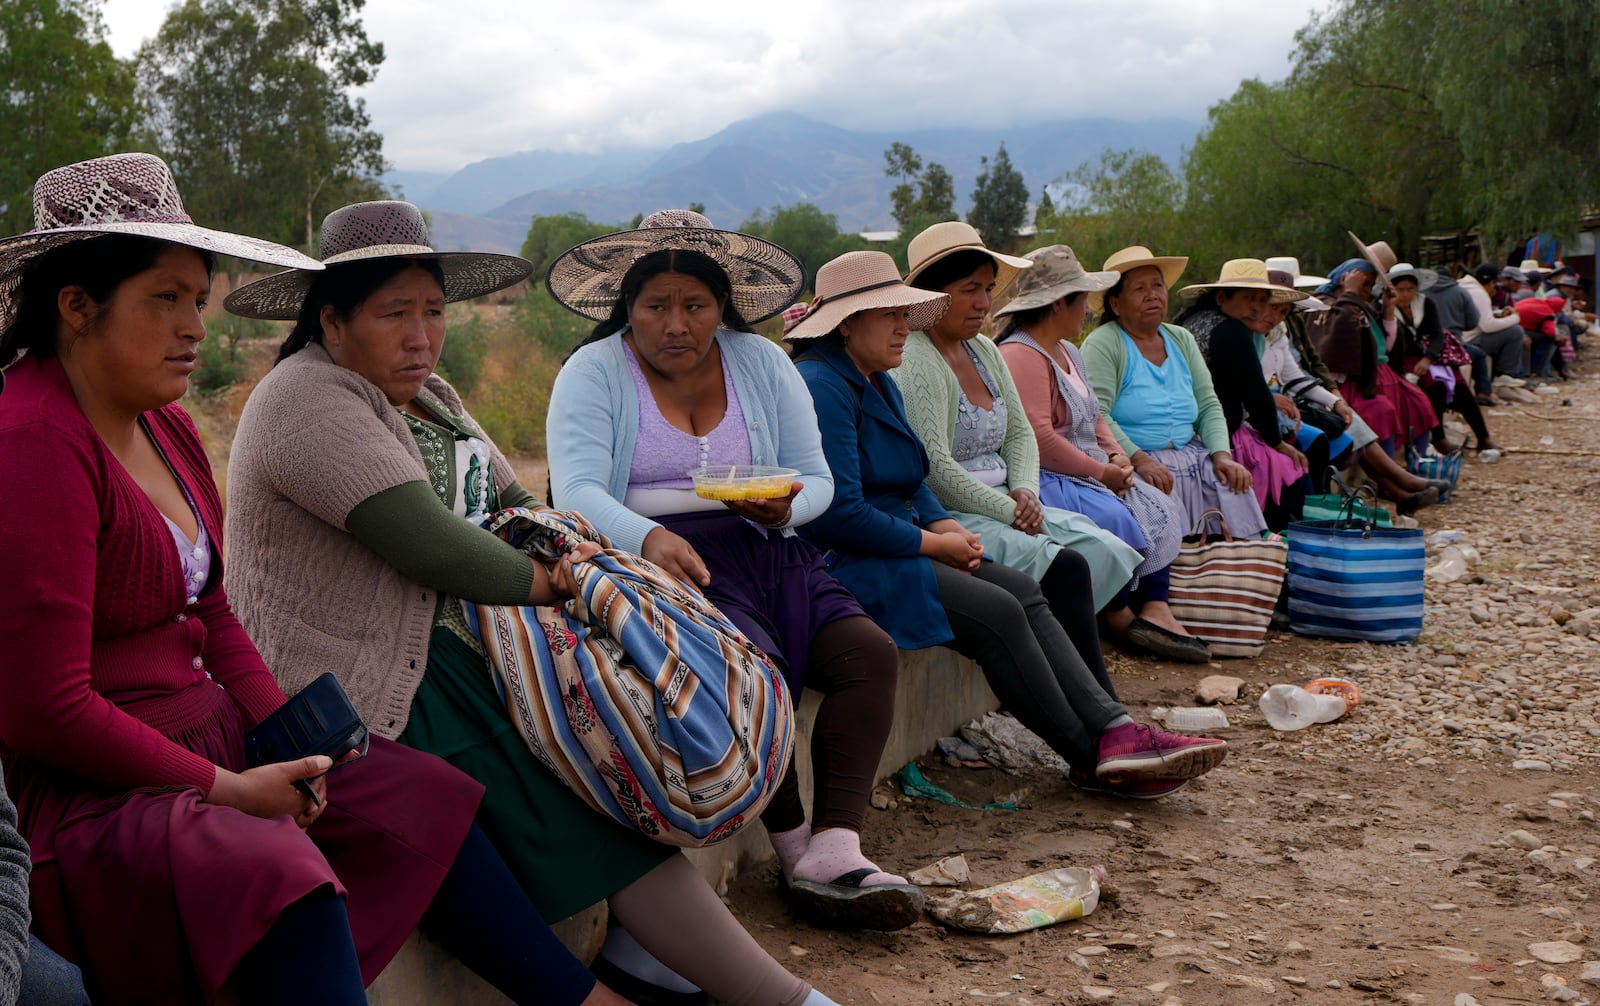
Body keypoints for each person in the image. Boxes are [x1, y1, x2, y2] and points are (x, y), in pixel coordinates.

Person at [0, 157, 630, 1006]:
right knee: (278, 870)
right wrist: (229, 791)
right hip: (96, 789)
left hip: (210, 736)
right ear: (76, 306)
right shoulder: (34, 442)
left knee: (414, 795)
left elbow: (214, 613)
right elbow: (45, 710)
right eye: (165, 298)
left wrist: (293, 740)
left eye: (198, 295)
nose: (195, 326)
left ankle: (578, 999)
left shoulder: (169, 427)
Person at [224, 200, 843, 1002]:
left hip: (453, 652)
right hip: (357, 683)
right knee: (557, 783)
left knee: (608, 764)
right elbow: (431, 544)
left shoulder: (429, 395)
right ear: (332, 320)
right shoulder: (307, 398)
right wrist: (568, 580)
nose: (422, 336)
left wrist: (574, 553)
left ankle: (766, 992)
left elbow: (517, 498)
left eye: (435, 312)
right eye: (394, 315)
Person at [544, 210, 922, 932]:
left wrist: (788, 512)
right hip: (662, 561)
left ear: (722, 308)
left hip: (769, 545)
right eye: (656, 306)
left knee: (867, 656)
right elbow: (579, 492)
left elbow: (816, 479)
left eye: (695, 305)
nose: (676, 324)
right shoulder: (594, 373)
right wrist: (648, 539)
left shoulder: (761, 362)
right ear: (629, 307)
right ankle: (794, 848)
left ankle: (838, 843)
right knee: (756, 676)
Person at [787, 250, 1227, 798]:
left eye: (907, 314)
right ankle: (1089, 756)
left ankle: (1114, 729)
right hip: (854, 560)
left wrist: (944, 525)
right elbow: (838, 512)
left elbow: (913, 476)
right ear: (848, 323)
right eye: (891, 316)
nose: (905, 327)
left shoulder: (874, 376)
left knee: (1023, 589)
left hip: (901, 540)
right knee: (997, 613)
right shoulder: (823, 384)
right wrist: (931, 542)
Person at [896, 222, 1142, 626]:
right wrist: (1008, 508)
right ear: (934, 294)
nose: (983, 303)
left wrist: (1025, 489)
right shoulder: (917, 359)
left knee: (1101, 544)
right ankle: (1072, 675)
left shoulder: (984, 350)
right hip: (955, 514)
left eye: (988, 289)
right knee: (1066, 564)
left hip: (1011, 499)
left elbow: (1019, 433)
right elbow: (935, 470)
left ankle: (1077, 661)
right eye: (969, 289)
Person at [991, 245, 1204, 663]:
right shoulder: (1021, 354)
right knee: (1113, 519)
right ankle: (1116, 614)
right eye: (1081, 301)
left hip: (1086, 467)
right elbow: (1039, 438)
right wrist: (1101, 473)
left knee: (1158, 504)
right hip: (1048, 475)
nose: (1088, 310)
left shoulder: (1068, 351)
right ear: (1057, 306)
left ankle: (1155, 606)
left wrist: (1117, 457)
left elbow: (1096, 418)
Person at [1078, 245, 1268, 538]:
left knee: (1232, 485)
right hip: (1133, 462)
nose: (1152, 294)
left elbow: (1207, 404)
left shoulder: (1181, 338)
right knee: (1167, 536)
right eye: (1139, 288)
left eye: (1157, 285)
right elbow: (1097, 414)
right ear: (1115, 304)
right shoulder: (1104, 343)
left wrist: (1221, 455)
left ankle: (1236, 574)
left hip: (1191, 454)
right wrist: (1139, 459)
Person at [1263, 258, 1442, 511]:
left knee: (1411, 402)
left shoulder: (1289, 319)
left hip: (1324, 386)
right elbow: (1332, 350)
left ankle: (1403, 484)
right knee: (1372, 412)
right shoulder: (1326, 308)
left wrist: (1333, 397)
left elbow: (1381, 347)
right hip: (1329, 386)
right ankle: (1398, 487)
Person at [1174, 259, 1315, 530]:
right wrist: (1276, 441)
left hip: (1194, 426)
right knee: (1289, 467)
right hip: (1214, 433)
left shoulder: (1191, 320)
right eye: (1249, 298)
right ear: (1221, 297)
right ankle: (1280, 541)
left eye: (1263, 300)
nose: (1257, 307)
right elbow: (1255, 392)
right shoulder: (1230, 329)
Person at [1308, 235, 1440, 455]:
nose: (1370, 290)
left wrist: (1388, 310)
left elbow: (1384, 347)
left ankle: (1417, 461)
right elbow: (1337, 342)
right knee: (1382, 410)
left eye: (1372, 284)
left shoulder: (1361, 306)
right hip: (1347, 381)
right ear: (1345, 280)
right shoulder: (1324, 305)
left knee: (1419, 403)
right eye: (1365, 284)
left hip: (1376, 374)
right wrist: (1350, 293)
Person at [1386, 263, 1496, 451]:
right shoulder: (1384, 309)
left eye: (1410, 289)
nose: (1405, 294)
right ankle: (1438, 437)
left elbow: (1437, 334)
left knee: (1460, 386)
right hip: (1401, 359)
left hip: (1431, 355)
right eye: (1400, 289)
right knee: (1434, 386)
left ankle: (1483, 437)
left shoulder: (1426, 303)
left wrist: (1428, 358)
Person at [1462, 261, 1527, 392]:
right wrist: (1514, 318)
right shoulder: (1479, 293)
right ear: (1491, 282)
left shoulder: (1463, 286)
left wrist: (1497, 314)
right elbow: (1487, 326)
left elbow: (1478, 316)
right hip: (1469, 340)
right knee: (1515, 332)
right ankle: (1504, 374)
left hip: (1459, 337)